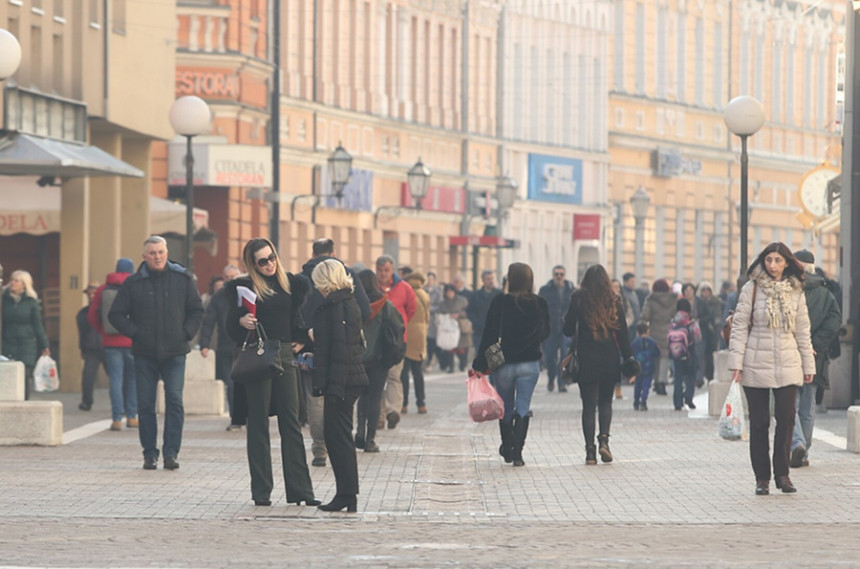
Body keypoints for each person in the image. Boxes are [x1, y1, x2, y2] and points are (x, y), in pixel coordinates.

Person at [225, 238, 319, 507]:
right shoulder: (245, 287)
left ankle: (301, 490)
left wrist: (302, 339)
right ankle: (261, 491)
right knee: (258, 424)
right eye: (262, 261)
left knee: (291, 422)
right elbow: (231, 325)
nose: (269, 264)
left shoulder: (291, 283)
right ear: (252, 265)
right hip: (258, 355)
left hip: (286, 355)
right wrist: (241, 321)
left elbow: (297, 319)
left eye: (271, 258)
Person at [108, 236, 204, 471]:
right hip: (145, 353)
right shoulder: (133, 283)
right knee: (145, 405)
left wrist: (186, 333)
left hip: (175, 352)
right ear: (144, 256)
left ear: (166, 252)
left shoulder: (182, 278)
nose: (157, 256)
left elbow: (196, 310)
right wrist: (136, 333)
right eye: (152, 253)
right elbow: (116, 315)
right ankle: (149, 454)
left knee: (174, 400)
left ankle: (171, 453)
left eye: (160, 252)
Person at [728, 242, 814, 496]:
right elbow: (740, 326)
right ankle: (762, 478)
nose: (772, 265)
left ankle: (783, 475)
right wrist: (736, 363)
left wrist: (808, 364)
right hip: (756, 363)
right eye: (768, 260)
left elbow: (802, 331)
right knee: (759, 423)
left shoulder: (796, 291)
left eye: (777, 260)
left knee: (786, 421)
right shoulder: (752, 288)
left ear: (787, 262)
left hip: (788, 364)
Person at [299, 238, 371, 466]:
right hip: (343, 348)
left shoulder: (301, 279)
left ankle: (320, 449)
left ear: (313, 253)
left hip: (309, 347)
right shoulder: (347, 276)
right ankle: (338, 444)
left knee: (315, 400)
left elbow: (295, 313)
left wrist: (304, 336)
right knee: (340, 399)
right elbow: (366, 310)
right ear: (333, 252)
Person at [472, 262, 550, 467]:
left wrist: (480, 361)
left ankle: (507, 447)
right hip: (530, 364)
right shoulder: (539, 303)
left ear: (510, 279)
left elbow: (488, 332)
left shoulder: (500, 302)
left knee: (505, 407)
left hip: (504, 363)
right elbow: (546, 332)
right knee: (523, 406)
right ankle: (518, 453)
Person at [309, 259, 369, 512]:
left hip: (343, 381)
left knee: (339, 438)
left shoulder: (339, 306)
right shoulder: (341, 302)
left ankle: (347, 494)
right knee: (336, 437)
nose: (316, 288)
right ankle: (346, 494)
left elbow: (342, 350)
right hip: (343, 378)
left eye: (318, 283)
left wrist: (334, 387)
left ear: (326, 281)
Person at [563, 264, 636, 465]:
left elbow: (567, 329)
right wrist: (629, 359)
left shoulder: (578, 299)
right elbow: (623, 335)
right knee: (605, 402)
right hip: (608, 357)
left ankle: (589, 452)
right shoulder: (614, 301)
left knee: (588, 405)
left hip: (586, 357)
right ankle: (604, 441)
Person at [789, 250, 840, 468]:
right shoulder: (825, 293)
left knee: (790, 404)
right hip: (815, 357)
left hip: (790, 354)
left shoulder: (790, 289)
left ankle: (797, 444)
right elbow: (834, 321)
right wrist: (816, 344)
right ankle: (804, 450)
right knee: (807, 406)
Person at [354, 269, 403, 453]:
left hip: (358, 358)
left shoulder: (355, 304)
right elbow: (398, 327)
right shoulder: (385, 305)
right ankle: (370, 439)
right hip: (380, 360)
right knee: (375, 397)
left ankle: (359, 432)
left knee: (362, 396)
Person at [89, 259, 138, 429]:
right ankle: (132, 417)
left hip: (110, 341)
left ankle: (117, 419)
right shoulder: (136, 286)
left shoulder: (103, 289)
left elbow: (92, 315)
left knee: (115, 380)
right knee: (134, 380)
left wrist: (103, 331)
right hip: (133, 341)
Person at [199, 264, 244, 431]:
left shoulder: (246, 294)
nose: (231, 280)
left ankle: (246, 416)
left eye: (234, 277)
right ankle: (236, 418)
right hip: (225, 347)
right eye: (228, 277)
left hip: (244, 346)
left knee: (244, 384)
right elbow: (208, 321)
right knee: (230, 384)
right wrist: (204, 344)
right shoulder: (218, 297)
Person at [375, 255, 416, 430]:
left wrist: (401, 326)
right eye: (380, 270)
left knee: (394, 377)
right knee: (377, 379)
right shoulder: (371, 287)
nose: (383, 274)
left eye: (386, 270)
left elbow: (411, 309)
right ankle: (379, 416)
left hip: (397, 341)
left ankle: (393, 412)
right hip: (376, 341)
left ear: (392, 270)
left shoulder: (404, 288)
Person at [1, 270, 50, 400]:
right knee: (8, 372)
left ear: (24, 284)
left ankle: (24, 401)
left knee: (24, 375)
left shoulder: (31, 301)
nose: (12, 283)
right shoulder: (3, 299)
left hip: (26, 343)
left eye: (16, 281)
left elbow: (37, 324)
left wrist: (44, 344)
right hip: (7, 340)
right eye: (12, 280)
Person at [538, 265, 575, 393]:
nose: (559, 277)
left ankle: (562, 382)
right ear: (553, 275)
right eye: (556, 274)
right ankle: (551, 378)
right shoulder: (545, 290)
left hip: (566, 330)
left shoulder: (571, 290)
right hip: (550, 329)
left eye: (561, 274)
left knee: (565, 356)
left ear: (564, 276)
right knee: (550, 357)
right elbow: (540, 309)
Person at [639, 279, 677, 396]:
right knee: (665, 357)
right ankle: (662, 383)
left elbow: (645, 316)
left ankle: (656, 382)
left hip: (654, 331)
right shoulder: (672, 299)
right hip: (668, 331)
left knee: (656, 358)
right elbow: (675, 315)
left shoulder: (651, 300)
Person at [401, 271, 430, 414]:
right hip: (420, 334)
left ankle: (404, 403)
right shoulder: (424, 294)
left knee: (404, 372)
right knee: (418, 372)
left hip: (406, 333)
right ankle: (421, 403)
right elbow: (427, 317)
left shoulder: (406, 292)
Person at [76, 282, 105, 413]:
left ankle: (123, 403)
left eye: (94, 293)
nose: (92, 296)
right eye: (89, 294)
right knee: (88, 376)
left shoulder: (105, 310)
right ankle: (86, 402)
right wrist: (82, 349)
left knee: (117, 377)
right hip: (91, 349)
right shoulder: (83, 314)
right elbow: (82, 334)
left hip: (107, 347)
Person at [668, 298, 697, 411]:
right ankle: (689, 397)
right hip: (689, 352)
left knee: (678, 377)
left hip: (676, 353)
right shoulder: (691, 321)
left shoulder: (673, 322)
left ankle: (677, 402)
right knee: (691, 375)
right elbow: (698, 337)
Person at [435, 284, 468, 373]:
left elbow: (467, 311)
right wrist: (447, 316)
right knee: (450, 348)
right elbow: (438, 313)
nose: (449, 294)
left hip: (460, 326)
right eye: (448, 292)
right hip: (448, 328)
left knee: (461, 348)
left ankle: (462, 364)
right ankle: (451, 366)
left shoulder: (462, 300)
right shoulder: (443, 303)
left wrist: (458, 315)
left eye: (451, 292)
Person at [467, 270, 501, 351]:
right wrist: (477, 321)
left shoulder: (499, 294)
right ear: (483, 280)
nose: (491, 281)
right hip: (479, 331)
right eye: (488, 279)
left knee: (494, 360)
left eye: (492, 278)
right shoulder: (476, 295)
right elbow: (470, 311)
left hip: (495, 332)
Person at [697, 281, 724, 382]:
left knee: (709, 355)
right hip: (700, 330)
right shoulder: (698, 302)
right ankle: (700, 376)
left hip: (711, 331)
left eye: (707, 290)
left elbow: (717, 315)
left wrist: (717, 326)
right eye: (703, 290)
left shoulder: (715, 302)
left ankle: (709, 375)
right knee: (700, 353)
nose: (705, 292)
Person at [630, 322, 659, 411]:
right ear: (647, 331)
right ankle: (643, 401)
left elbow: (631, 354)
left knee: (638, 385)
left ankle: (636, 401)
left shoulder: (634, 343)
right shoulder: (652, 342)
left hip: (637, 367)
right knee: (646, 385)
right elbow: (657, 353)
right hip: (649, 366)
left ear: (638, 332)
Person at [424, 271, 443, 371]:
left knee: (433, 342)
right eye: (428, 279)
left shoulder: (438, 292)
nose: (430, 281)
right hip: (424, 320)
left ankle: (432, 361)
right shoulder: (423, 290)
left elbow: (440, 305)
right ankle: (428, 361)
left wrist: (430, 308)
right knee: (426, 342)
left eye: (431, 279)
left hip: (434, 320)